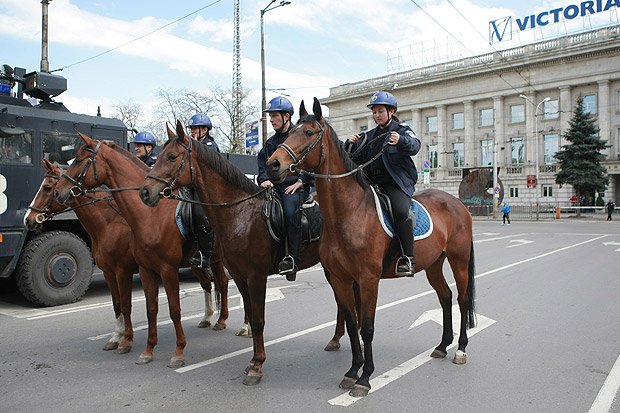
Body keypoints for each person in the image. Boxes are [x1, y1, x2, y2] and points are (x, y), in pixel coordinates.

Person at [345, 91, 421, 277]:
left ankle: (408, 258)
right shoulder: (370, 135)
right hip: (371, 184)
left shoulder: (401, 130)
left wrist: (401, 141)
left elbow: (415, 145)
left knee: (401, 210)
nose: (376, 115)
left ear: (391, 111)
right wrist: (350, 145)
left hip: (395, 183)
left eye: (380, 111)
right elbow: (357, 158)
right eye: (374, 112)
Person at [257, 96, 314, 281]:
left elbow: (311, 160)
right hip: (275, 187)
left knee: (290, 212)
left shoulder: (297, 136)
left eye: (274, 116)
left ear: (287, 117)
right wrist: (264, 179)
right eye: (270, 116)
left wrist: (302, 181)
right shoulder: (271, 143)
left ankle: (292, 259)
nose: (271, 119)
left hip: (294, 187)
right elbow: (262, 164)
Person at [186, 113, 219, 267]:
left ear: (204, 130)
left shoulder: (210, 146)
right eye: (191, 128)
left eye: (195, 128)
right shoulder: (192, 145)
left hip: (207, 188)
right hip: (191, 186)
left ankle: (206, 254)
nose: (192, 131)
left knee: (199, 213)